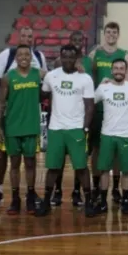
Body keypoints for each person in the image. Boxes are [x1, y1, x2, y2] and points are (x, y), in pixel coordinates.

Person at [0, 27, 47, 207]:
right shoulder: (6, 57)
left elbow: (51, 80)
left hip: (30, 120)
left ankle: (30, 193)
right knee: (3, 156)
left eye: (30, 36)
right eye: (24, 36)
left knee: (30, 161)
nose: (27, 39)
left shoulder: (39, 59)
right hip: (10, 120)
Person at [35, 45, 96, 218]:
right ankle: (47, 201)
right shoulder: (51, 76)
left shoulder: (85, 79)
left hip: (76, 129)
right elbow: (42, 96)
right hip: (56, 128)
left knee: (82, 167)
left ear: (77, 58)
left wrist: (85, 128)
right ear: (60, 58)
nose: (67, 60)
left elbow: (90, 106)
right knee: (53, 167)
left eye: (71, 57)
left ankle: (89, 202)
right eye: (64, 57)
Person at [0, 45, 43, 215]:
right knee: (14, 164)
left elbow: (59, 76)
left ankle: (30, 195)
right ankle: (15, 199)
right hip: (13, 127)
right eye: (20, 54)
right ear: (16, 58)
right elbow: (1, 103)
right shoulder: (8, 77)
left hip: (31, 126)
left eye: (27, 54)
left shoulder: (39, 74)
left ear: (31, 57)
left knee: (30, 163)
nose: (24, 57)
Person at [88, 22, 128, 203]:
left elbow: (127, 83)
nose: (111, 34)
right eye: (108, 32)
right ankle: (97, 184)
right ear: (104, 34)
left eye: (115, 32)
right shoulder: (95, 54)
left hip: (118, 109)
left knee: (116, 152)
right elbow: (89, 78)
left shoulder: (125, 55)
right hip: (99, 108)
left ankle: (115, 187)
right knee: (97, 149)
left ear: (118, 34)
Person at [93, 59, 128, 215]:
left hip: (126, 135)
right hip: (107, 134)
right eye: (116, 68)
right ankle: (103, 202)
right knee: (103, 170)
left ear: (126, 70)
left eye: (122, 68)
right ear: (111, 70)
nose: (119, 71)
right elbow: (89, 103)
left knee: (126, 171)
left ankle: (125, 201)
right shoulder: (103, 87)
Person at [59, 29, 90, 206]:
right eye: (74, 39)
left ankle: (77, 192)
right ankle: (57, 191)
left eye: (80, 39)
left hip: (79, 117)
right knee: (59, 159)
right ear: (70, 40)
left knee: (80, 159)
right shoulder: (59, 61)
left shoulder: (89, 61)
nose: (77, 42)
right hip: (60, 117)